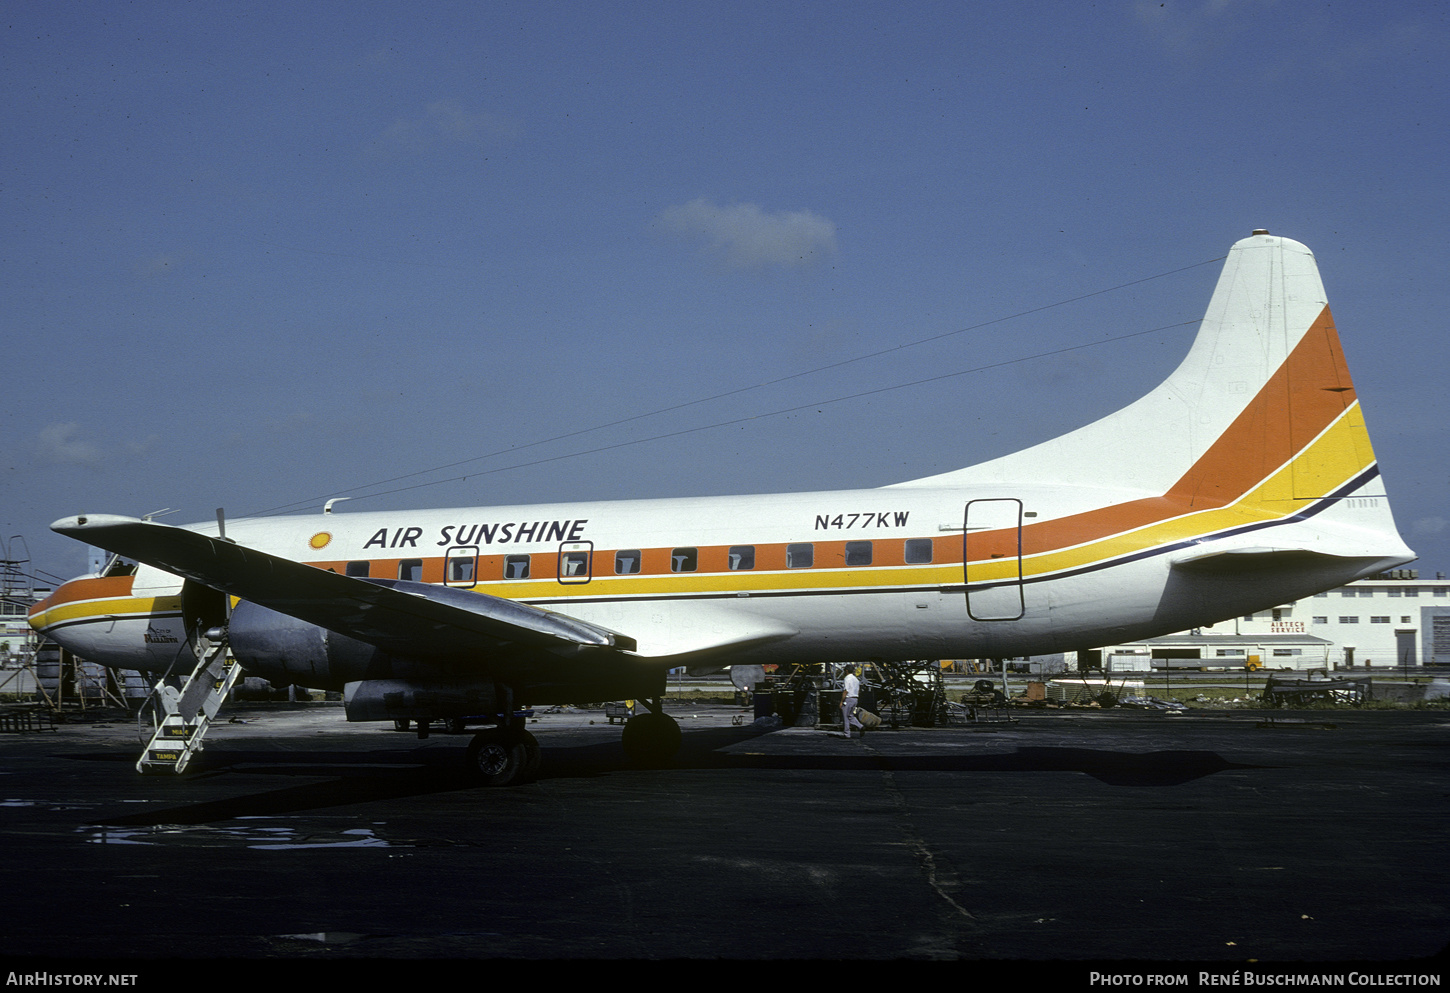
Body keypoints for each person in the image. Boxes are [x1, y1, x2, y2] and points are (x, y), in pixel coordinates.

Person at [841, 666, 863, 738]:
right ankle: (860, 726)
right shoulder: (856, 679)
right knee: (850, 715)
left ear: (846, 671)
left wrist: (841, 701)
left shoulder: (847, 678)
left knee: (845, 717)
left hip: (849, 698)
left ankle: (847, 734)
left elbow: (846, 690)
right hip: (855, 698)